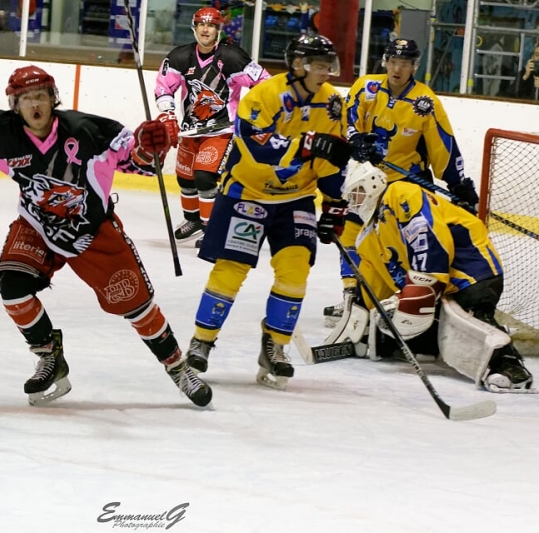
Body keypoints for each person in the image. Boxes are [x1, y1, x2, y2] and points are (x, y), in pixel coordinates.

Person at [0, 65, 212, 407]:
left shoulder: (87, 131)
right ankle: (49, 355)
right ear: (15, 105)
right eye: (26, 99)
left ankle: (178, 368)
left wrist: (149, 145)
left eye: (40, 96)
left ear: (53, 99)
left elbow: (135, 159)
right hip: (37, 225)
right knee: (13, 286)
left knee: (137, 307)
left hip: (91, 230)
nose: (34, 104)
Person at [184, 35, 352, 390]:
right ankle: (202, 340)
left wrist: (334, 203)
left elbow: (333, 158)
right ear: (298, 65)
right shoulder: (265, 94)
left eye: (328, 65)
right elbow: (254, 144)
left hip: (297, 198)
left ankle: (275, 345)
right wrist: (306, 144)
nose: (326, 72)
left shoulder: (333, 103)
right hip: (248, 193)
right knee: (231, 269)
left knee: (295, 270)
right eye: (319, 65)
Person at [324, 39, 480, 326]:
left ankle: (402, 296)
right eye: (394, 62)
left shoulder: (425, 102)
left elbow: (442, 145)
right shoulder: (366, 87)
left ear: (414, 67)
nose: (398, 69)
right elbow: (346, 120)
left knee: (392, 242)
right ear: (385, 62)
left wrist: (458, 184)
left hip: (403, 185)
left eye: (405, 63)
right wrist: (356, 141)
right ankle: (352, 296)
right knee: (351, 234)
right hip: (363, 178)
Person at [341, 162, 533, 393]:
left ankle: (510, 368)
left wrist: (424, 284)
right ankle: (428, 346)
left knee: (470, 321)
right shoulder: (367, 237)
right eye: (351, 197)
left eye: (357, 193)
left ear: (373, 184)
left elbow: (428, 233)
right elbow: (376, 285)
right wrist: (366, 320)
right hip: (434, 283)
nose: (354, 202)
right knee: (409, 326)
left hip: (469, 266)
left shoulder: (400, 193)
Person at [154, 6, 270, 245]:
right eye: (201, 24)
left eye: (211, 25)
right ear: (194, 27)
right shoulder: (179, 57)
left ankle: (212, 228)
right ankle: (194, 220)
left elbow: (264, 82)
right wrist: (167, 114)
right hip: (191, 129)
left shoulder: (232, 57)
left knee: (204, 177)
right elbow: (163, 87)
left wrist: (255, 114)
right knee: (185, 179)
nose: (205, 29)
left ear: (218, 29)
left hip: (221, 130)